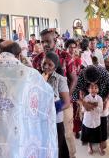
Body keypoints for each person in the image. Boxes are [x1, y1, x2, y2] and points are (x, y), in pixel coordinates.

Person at [33, 29, 77, 158]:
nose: (45, 44)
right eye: (42, 42)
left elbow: (74, 79)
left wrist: (65, 97)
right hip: (44, 105)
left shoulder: (65, 56)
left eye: (48, 41)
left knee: (67, 134)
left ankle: (71, 155)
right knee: (47, 135)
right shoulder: (37, 59)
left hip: (64, 102)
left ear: (55, 41)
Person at [72, 65, 109, 150]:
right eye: (90, 83)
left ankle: (103, 138)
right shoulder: (81, 75)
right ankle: (90, 141)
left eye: (95, 82)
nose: (93, 84)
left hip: (103, 96)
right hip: (87, 98)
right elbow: (74, 93)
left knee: (103, 116)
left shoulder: (104, 73)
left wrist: (107, 99)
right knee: (88, 117)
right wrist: (83, 103)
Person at [42, 52, 71, 158]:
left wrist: (54, 109)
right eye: (44, 63)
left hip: (56, 120)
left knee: (58, 145)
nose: (46, 66)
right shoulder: (39, 77)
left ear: (55, 67)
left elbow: (67, 103)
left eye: (50, 65)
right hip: (43, 119)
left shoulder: (60, 79)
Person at [81, 83, 104, 155]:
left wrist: (92, 106)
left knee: (98, 135)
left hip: (97, 121)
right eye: (91, 88)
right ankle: (89, 146)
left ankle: (100, 147)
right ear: (88, 90)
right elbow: (83, 110)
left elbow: (101, 110)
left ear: (98, 90)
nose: (93, 89)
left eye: (95, 88)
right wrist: (90, 105)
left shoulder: (100, 98)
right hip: (88, 120)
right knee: (89, 135)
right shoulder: (86, 98)